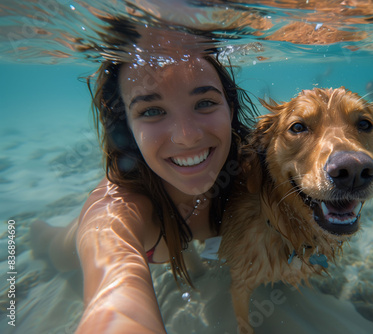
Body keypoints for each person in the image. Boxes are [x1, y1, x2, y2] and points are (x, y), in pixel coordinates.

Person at [31, 19, 258, 334]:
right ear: (126, 126)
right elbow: (115, 306)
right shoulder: (117, 213)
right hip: (85, 239)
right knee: (53, 247)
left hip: (176, 229)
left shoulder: (255, 173)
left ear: (230, 109)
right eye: (152, 111)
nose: (187, 136)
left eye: (204, 103)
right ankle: (37, 232)